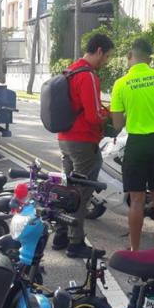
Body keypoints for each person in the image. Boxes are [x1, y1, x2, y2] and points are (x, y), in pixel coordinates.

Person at [109, 38, 154, 250]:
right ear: (150, 58)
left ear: (130, 56)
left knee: (137, 200)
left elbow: (118, 124)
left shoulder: (121, 84)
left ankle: (134, 249)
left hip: (137, 144)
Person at [53, 33, 114, 258]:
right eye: (106, 57)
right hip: (83, 141)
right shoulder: (88, 75)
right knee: (81, 193)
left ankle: (60, 234)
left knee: (67, 189)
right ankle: (75, 242)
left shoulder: (71, 70)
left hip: (65, 138)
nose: (106, 62)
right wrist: (109, 116)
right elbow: (93, 116)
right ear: (99, 51)